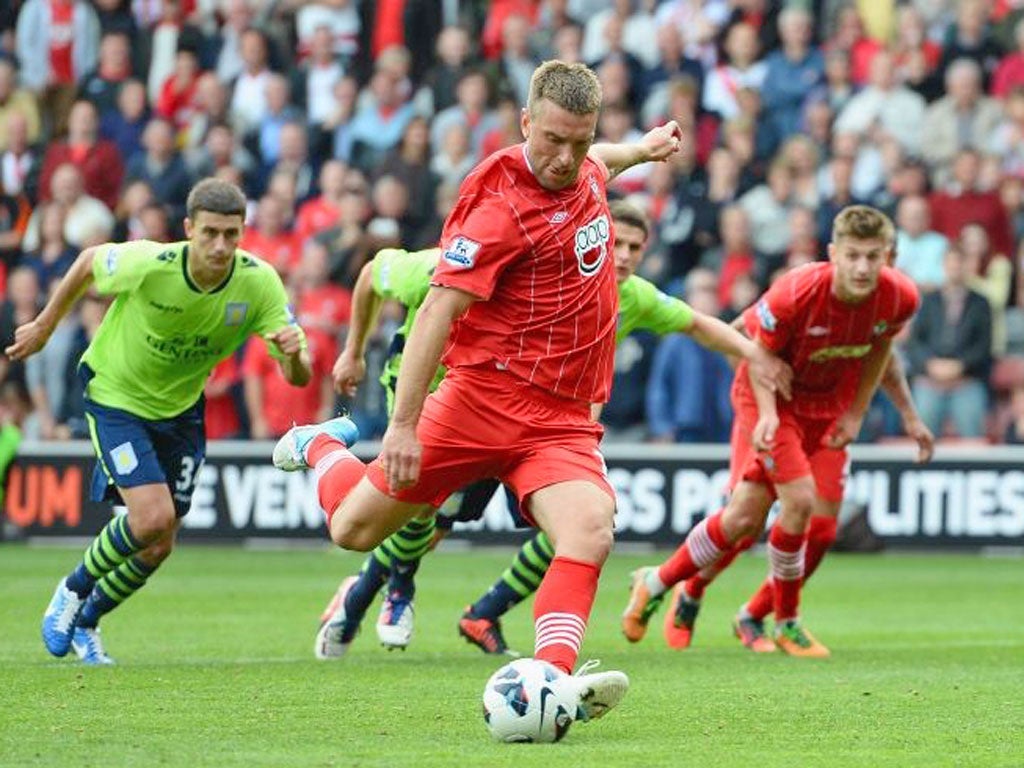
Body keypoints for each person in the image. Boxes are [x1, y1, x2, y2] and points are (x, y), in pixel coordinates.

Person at [271, 60, 673, 726]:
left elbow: (601, 160)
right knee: (353, 530)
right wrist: (400, 427)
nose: (565, 157)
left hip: (558, 419)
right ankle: (320, 447)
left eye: (579, 140)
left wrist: (644, 149)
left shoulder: (584, 168)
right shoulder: (498, 209)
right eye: (551, 140)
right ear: (524, 124)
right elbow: (435, 312)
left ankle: (551, 684)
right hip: (479, 403)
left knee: (590, 529)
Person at [320, 200, 790, 658]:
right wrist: (353, 351)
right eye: (616, 243)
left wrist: (753, 354)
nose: (623, 256)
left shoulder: (627, 295)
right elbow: (370, 277)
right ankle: (376, 592)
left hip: (529, 423)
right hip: (432, 400)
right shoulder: (450, 267)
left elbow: (698, 325)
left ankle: (489, 617)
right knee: (421, 516)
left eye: (634, 248)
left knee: (574, 525)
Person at [7, 178, 312, 665]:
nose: (220, 246)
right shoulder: (151, 263)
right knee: (152, 518)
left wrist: (294, 357)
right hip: (117, 397)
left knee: (159, 545)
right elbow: (88, 262)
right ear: (189, 228)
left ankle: (88, 622)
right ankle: (70, 592)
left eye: (231, 235)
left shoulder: (258, 284)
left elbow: (298, 377)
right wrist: (44, 326)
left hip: (181, 411)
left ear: (243, 232)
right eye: (210, 232)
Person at [621, 205, 921, 658]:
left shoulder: (899, 298)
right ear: (833, 254)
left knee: (818, 531)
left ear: (889, 257)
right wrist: (766, 415)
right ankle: (755, 611)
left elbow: (882, 353)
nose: (862, 267)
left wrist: (872, 414)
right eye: (853, 255)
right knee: (756, 517)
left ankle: (731, 606)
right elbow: (751, 345)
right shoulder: (799, 290)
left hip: (827, 412)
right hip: (770, 403)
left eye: (873, 256)